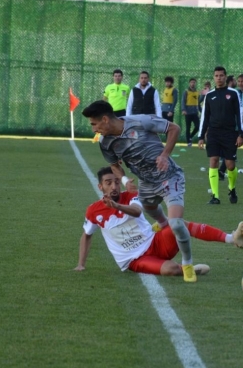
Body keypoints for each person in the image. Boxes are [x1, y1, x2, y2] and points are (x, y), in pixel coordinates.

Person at [82, 100, 197, 282]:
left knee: (175, 223)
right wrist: (126, 180)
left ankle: (188, 263)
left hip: (169, 177)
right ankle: (161, 222)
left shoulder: (140, 122)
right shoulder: (105, 142)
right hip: (147, 183)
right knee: (151, 209)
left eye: (94, 124)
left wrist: (165, 155)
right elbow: (114, 166)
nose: (93, 129)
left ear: (104, 119)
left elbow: (174, 128)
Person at [74, 167, 243, 276]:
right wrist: (81, 264)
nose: (113, 186)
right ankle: (187, 269)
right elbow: (87, 235)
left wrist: (117, 206)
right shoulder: (93, 210)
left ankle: (231, 238)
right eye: (108, 183)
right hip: (134, 259)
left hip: (155, 241)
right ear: (100, 187)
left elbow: (136, 211)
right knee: (170, 270)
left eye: (116, 182)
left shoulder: (132, 196)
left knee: (178, 224)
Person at [198, 66, 243, 205]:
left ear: (226, 77)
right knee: (213, 161)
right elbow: (205, 117)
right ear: (214, 77)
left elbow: (239, 114)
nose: (219, 78)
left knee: (230, 165)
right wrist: (201, 136)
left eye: (221, 75)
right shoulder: (209, 95)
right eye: (216, 76)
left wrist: (241, 134)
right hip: (213, 133)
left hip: (230, 133)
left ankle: (232, 188)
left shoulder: (234, 93)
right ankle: (215, 196)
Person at [181, 78, 200, 146]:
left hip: (195, 112)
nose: (193, 84)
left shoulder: (197, 92)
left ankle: (190, 137)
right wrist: (183, 109)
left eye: (194, 82)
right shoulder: (186, 91)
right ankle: (189, 142)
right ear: (189, 83)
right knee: (188, 127)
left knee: (198, 126)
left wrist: (199, 111)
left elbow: (198, 102)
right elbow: (183, 101)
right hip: (188, 112)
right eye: (191, 82)